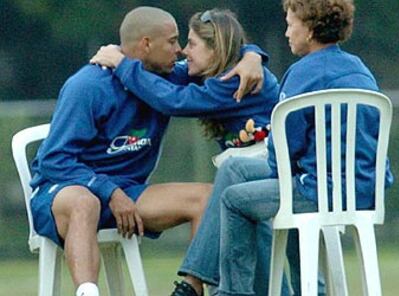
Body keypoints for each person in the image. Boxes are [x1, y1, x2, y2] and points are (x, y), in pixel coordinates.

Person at [29, 7, 270, 296]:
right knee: (86, 203)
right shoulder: (87, 85)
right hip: (66, 189)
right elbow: (54, 160)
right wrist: (109, 191)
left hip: (128, 193)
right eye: (172, 41)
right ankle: (88, 291)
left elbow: (219, 59)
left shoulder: (168, 76)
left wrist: (253, 55)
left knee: (209, 198)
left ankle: (195, 289)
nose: (180, 50)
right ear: (146, 44)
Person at [215, 0, 394, 295]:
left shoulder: (302, 73)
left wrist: (280, 170)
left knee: (234, 200)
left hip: (320, 191)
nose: (286, 33)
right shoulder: (361, 70)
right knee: (240, 169)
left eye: (290, 24)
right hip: (364, 190)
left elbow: (284, 150)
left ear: (309, 29)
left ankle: (233, 292)